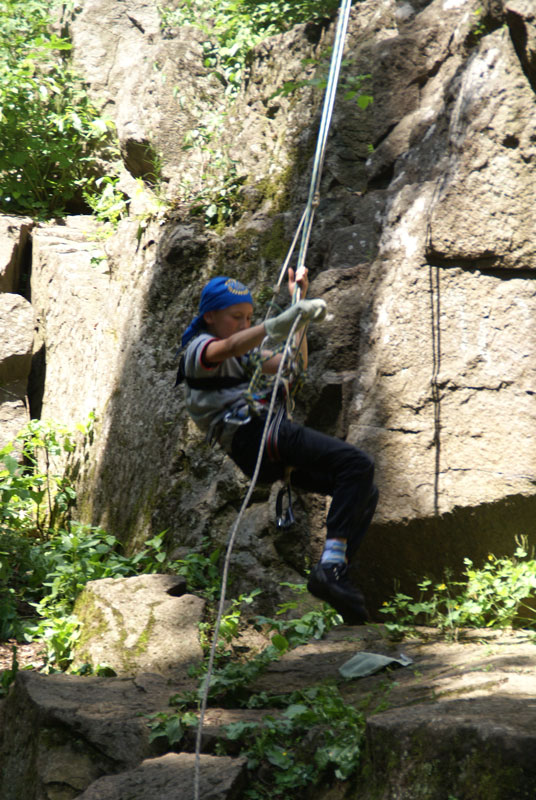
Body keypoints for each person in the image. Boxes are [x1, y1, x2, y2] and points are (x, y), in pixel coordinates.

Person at [177, 268, 378, 624]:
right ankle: (330, 570)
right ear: (210, 316)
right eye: (236, 317)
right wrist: (278, 324)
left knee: (362, 488)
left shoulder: (243, 357)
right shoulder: (197, 351)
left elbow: (292, 366)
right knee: (356, 464)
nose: (243, 324)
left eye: (249, 318)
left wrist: (298, 307)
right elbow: (229, 346)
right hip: (256, 436)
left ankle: (334, 570)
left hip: (264, 443)